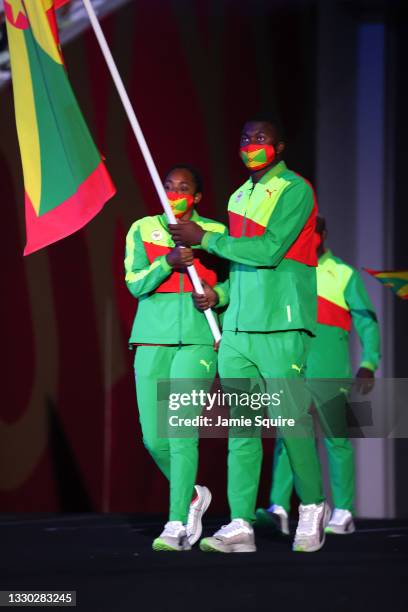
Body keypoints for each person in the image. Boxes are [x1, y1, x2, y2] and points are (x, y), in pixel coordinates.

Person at [169, 116, 330, 553]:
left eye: (260, 138)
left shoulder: (296, 189)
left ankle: (312, 506)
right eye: (244, 137)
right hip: (238, 328)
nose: (250, 143)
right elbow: (242, 266)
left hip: (281, 322)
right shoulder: (241, 194)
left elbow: (270, 250)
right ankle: (240, 522)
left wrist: (204, 238)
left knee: (290, 422)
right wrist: (220, 294)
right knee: (242, 428)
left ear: (278, 147)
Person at [256, 216, 381, 536]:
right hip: (293, 369)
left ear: (323, 235)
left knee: (336, 440)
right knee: (288, 438)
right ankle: (279, 507)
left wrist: (368, 362)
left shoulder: (342, 273)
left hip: (330, 371)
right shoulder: (287, 272)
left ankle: (343, 511)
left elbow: (367, 321)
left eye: (311, 233)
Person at [125, 165, 227, 551]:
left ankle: (176, 523)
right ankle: (192, 498)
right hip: (152, 339)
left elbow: (234, 283)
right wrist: (167, 262)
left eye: (184, 187)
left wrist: (220, 298)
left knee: (180, 429)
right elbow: (134, 283)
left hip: (199, 340)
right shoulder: (142, 228)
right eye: (169, 186)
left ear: (197, 197)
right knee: (154, 439)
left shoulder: (214, 233)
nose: (175, 192)